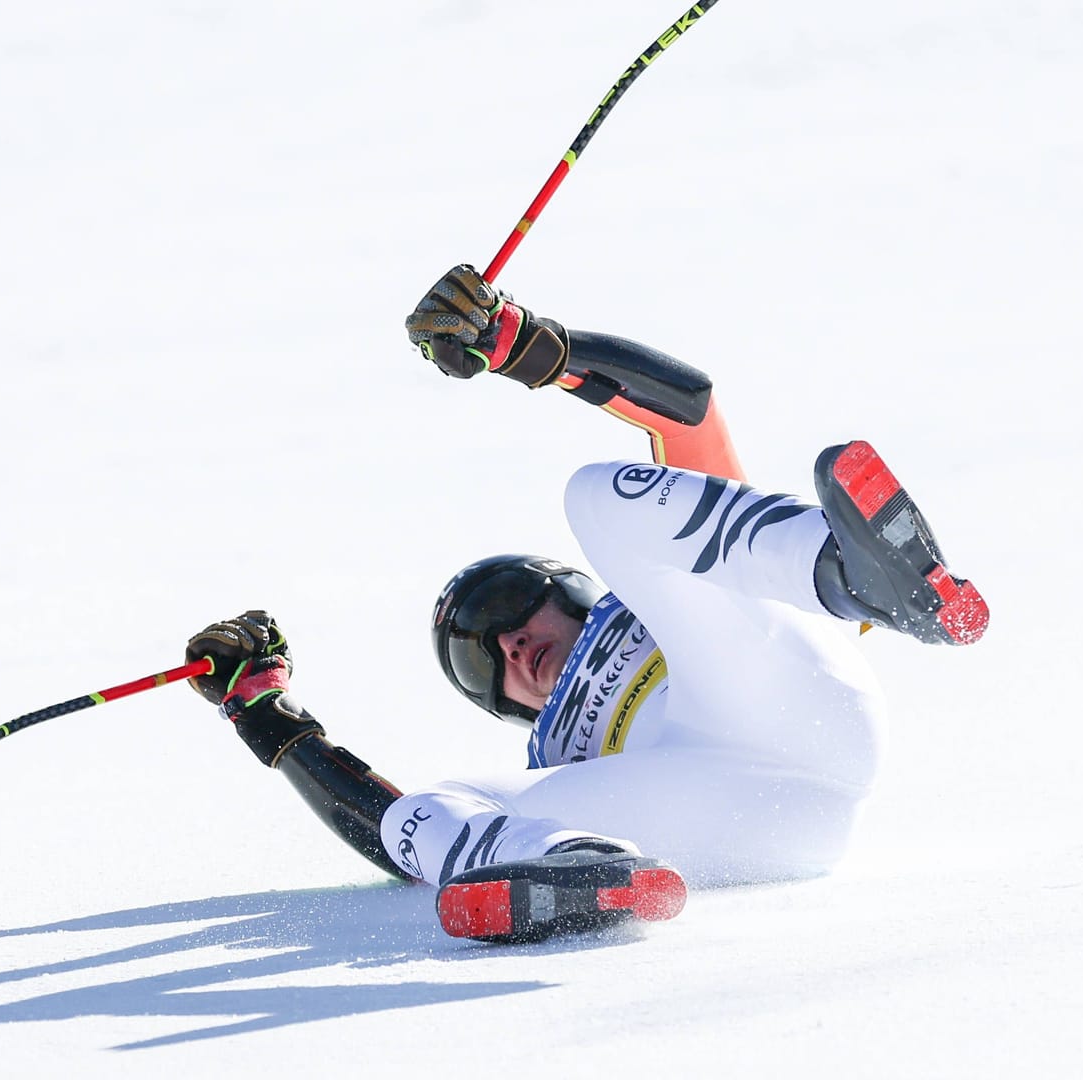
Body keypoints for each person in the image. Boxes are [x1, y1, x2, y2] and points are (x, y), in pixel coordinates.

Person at [184, 265, 989, 944]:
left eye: (507, 610)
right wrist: (261, 711)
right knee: (427, 811)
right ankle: (578, 873)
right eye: (478, 662)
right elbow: (390, 833)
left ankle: (861, 579)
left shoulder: (660, 595)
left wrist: (521, 344)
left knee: (598, 497)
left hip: (790, 704)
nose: (507, 649)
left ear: (566, 591)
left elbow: (691, 413)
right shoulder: (551, 757)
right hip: (737, 821)